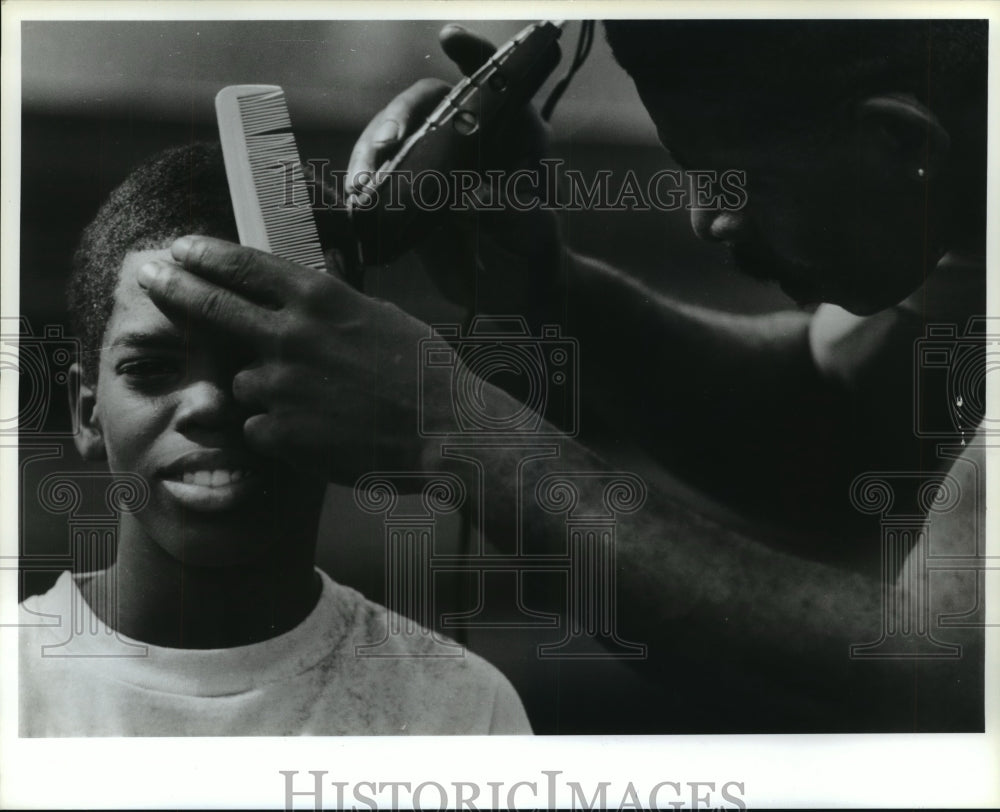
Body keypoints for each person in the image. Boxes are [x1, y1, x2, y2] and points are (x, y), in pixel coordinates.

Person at [132, 20, 987, 732]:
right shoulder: (954, 182)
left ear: (900, 140)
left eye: (737, 181)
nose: (706, 219)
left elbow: (937, 668)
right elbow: (835, 406)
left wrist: (452, 432)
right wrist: (549, 289)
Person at [17, 142, 532, 737]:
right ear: (87, 415)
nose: (208, 402)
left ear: (347, 396)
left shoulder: (462, 711)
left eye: (262, 362)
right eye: (151, 369)